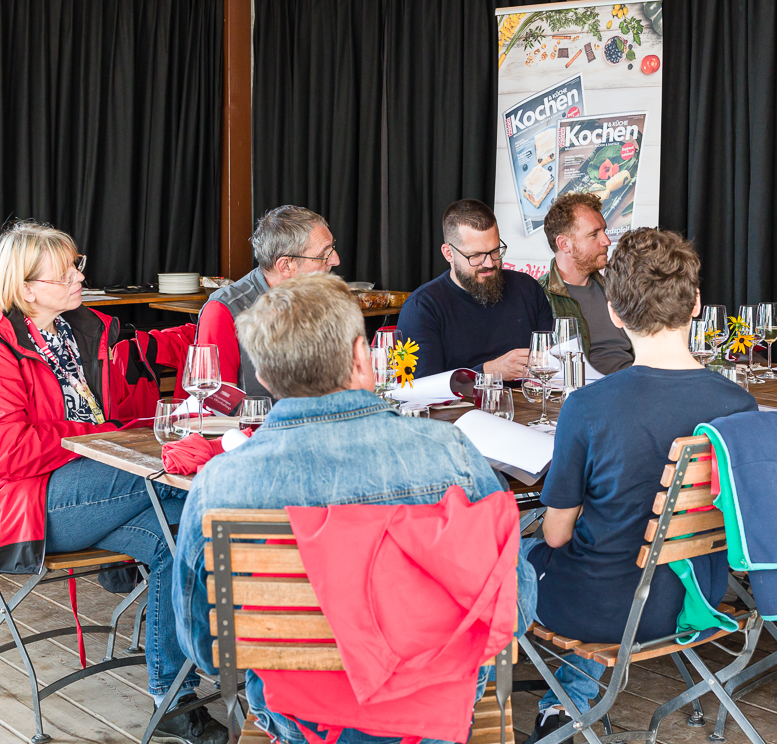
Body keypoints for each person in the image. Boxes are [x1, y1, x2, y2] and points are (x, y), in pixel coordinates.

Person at [173, 274, 525, 744]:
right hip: (440, 717)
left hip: (300, 724)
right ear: (362, 356)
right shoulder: (452, 454)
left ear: (262, 375)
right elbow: (514, 606)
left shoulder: (222, 483)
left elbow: (207, 646)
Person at [0, 222, 226, 744]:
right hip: (8, 505)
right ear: (26, 288)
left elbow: (154, 350)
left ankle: (173, 696)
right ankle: (235, 647)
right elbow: (3, 452)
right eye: (66, 270)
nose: (80, 276)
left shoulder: (80, 331)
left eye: (77, 262)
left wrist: (223, 314)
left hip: (83, 481)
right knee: (193, 480)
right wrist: (96, 435)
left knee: (180, 532)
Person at [520, 228, 757, 741]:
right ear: (695, 304)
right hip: (696, 601)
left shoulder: (588, 406)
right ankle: (568, 702)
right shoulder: (739, 404)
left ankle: (527, 705)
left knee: (504, 549)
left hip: (602, 611)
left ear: (614, 312)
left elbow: (557, 537)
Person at [397, 200, 554, 380]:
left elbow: (551, 363)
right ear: (449, 253)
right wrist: (488, 372)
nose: (489, 263)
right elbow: (421, 390)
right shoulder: (422, 308)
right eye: (476, 255)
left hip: (530, 404)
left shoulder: (527, 289)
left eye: (495, 251)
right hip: (459, 408)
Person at [196, 206, 339, 396]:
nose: (335, 260)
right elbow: (216, 398)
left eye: (333, 249)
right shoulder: (223, 310)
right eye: (324, 255)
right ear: (286, 266)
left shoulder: (320, 297)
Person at [538, 192, 634, 374]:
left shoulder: (616, 288)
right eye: (594, 234)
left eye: (604, 230)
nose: (606, 241)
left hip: (635, 385)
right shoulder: (540, 297)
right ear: (564, 244)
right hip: (589, 395)